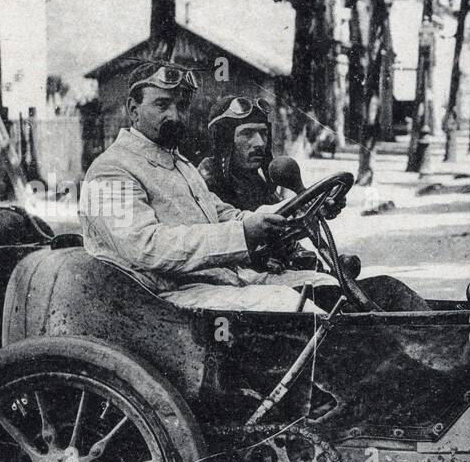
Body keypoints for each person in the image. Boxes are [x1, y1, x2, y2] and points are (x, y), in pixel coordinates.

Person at [78, 63, 335, 314]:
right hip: (167, 301)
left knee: (328, 287)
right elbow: (146, 247)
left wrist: (302, 207)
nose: (174, 115)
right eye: (162, 105)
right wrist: (242, 234)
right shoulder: (110, 170)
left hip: (219, 282)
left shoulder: (179, 163)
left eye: (182, 106)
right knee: (295, 308)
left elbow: (224, 215)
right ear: (133, 110)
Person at [196, 93, 429, 313]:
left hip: (287, 274)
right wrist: (258, 256)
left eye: (263, 133)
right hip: (245, 284)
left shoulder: (259, 181)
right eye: (247, 134)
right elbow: (222, 236)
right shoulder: (206, 180)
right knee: (336, 298)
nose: (259, 142)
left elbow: (285, 220)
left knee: (388, 288)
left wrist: (316, 205)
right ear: (225, 138)